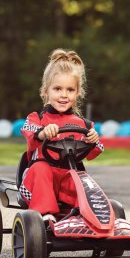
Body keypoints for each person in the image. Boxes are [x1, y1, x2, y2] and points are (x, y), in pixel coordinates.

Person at [19, 49, 103, 221]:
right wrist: (42, 133)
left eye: (70, 90)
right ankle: (45, 214)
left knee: (81, 178)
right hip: (36, 183)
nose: (64, 95)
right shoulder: (36, 118)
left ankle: (92, 215)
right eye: (57, 89)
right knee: (42, 169)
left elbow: (94, 153)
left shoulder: (84, 125)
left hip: (66, 177)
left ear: (78, 92)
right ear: (46, 91)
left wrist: (93, 140)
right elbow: (29, 133)